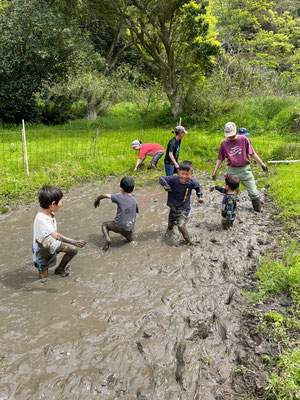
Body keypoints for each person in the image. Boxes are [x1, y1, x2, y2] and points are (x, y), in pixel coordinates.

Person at [212, 122, 268, 212]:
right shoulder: (224, 143)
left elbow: (252, 153)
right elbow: (220, 158)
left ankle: (258, 209)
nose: (230, 137)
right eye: (228, 135)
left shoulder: (243, 139)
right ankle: (229, 215)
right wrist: (214, 172)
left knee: (253, 193)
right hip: (232, 170)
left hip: (245, 169)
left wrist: (262, 164)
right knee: (231, 195)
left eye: (232, 135)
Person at [33, 186, 86, 279]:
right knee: (43, 277)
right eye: (61, 201)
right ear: (53, 204)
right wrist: (74, 241)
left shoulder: (49, 212)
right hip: (42, 250)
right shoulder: (41, 219)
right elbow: (56, 235)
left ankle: (60, 269)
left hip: (52, 243)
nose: (62, 203)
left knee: (72, 250)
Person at [159, 161, 203, 244]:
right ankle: (168, 235)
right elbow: (161, 178)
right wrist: (165, 185)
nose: (184, 177)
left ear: (191, 173)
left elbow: (198, 189)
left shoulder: (192, 183)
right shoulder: (173, 179)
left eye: (187, 174)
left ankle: (189, 241)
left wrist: (200, 197)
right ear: (178, 172)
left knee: (180, 225)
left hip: (184, 208)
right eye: (182, 174)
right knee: (170, 226)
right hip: (173, 207)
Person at [94, 177, 139, 251]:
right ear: (133, 188)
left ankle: (107, 239)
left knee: (104, 225)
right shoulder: (135, 201)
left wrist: (98, 199)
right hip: (128, 229)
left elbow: (105, 195)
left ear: (121, 189)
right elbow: (135, 212)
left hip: (117, 225)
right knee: (130, 239)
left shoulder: (119, 196)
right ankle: (132, 243)